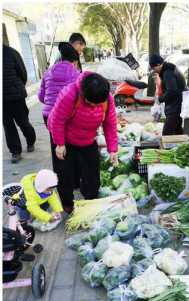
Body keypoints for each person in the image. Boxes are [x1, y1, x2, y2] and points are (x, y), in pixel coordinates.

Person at [47, 72, 118, 213]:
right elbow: (57, 120)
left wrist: (113, 149)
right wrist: (59, 144)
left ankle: (90, 200)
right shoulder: (69, 94)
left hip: (88, 139)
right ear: (84, 94)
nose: (95, 106)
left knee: (92, 173)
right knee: (65, 174)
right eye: (92, 103)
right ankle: (68, 204)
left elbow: (110, 124)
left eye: (98, 104)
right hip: (65, 139)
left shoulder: (106, 98)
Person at [38, 42, 80, 172]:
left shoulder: (48, 72)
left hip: (49, 116)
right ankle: (73, 180)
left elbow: (41, 96)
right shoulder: (76, 74)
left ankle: (59, 178)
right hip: (68, 116)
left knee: (56, 145)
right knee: (70, 146)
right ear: (74, 61)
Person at [3, 44, 36, 163]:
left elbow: (23, 73)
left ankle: (30, 141)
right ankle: (15, 152)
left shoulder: (11, 53)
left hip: (16, 96)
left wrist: (18, 86)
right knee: (8, 126)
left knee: (23, 122)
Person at [149, 54, 186, 135]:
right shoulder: (168, 70)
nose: (154, 70)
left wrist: (160, 99)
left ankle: (168, 147)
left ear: (158, 64)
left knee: (167, 133)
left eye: (153, 68)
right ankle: (180, 144)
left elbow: (172, 91)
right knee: (177, 130)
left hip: (175, 107)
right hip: (177, 105)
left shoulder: (168, 72)